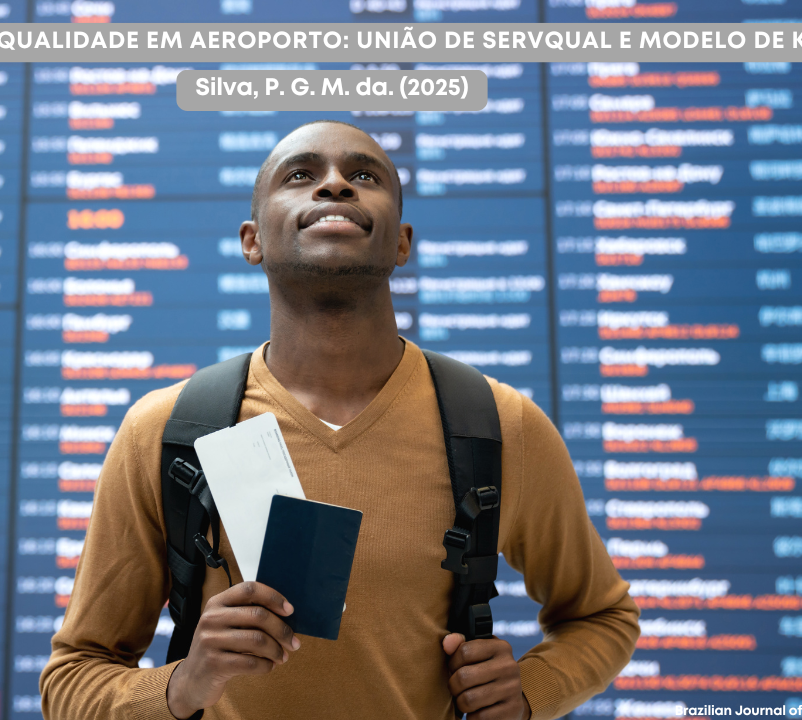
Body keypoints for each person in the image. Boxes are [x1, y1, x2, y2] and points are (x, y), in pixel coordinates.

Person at [40, 120, 640, 720]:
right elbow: (71, 680)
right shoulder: (169, 432)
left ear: (402, 243)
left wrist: (530, 691)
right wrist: (181, 686)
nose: (334, 186)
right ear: (252, 241)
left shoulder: (498, 426)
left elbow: (603, 617)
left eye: (363, 176)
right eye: (300, 176)